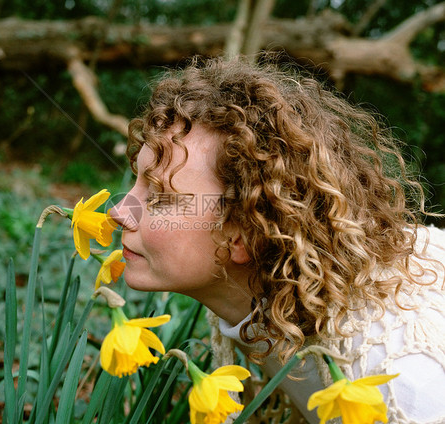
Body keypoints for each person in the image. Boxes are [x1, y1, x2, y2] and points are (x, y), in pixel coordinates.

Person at [109, 55, 445, 423]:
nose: (118, 212)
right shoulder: (287, 305)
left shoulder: (398, 388)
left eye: (159, 197)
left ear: (244, 233)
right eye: (136, 180)